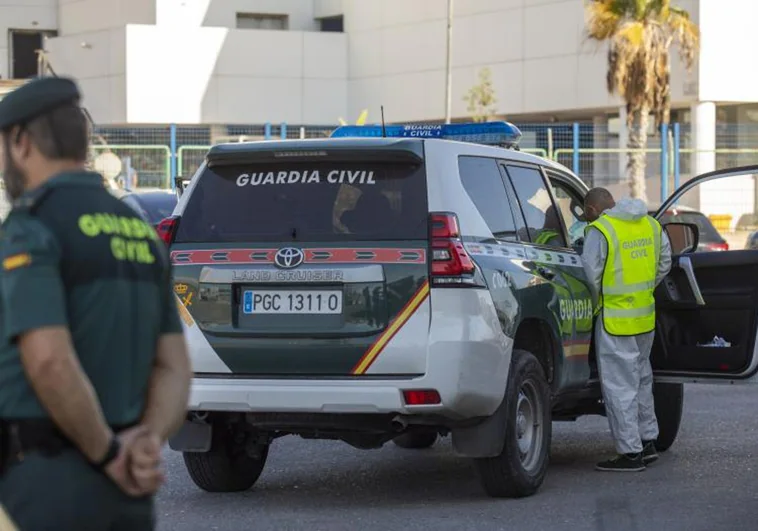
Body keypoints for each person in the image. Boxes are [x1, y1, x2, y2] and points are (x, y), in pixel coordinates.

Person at [0, 76, 191, 529]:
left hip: (44, 487)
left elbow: (50, 362)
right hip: (126, 494)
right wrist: (144, 445)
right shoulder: (140, 231)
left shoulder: (33, 227)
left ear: (22, 142)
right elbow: (175, 367)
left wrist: (106, 452)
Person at [581, 187, 672, 472]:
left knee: (620, 387)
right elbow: (664, 264)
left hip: (615, 320)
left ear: (594, 209)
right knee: (642, 380)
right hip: (644, 318)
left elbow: (590, 274)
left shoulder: (601, 230)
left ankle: (629, 454)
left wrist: (601, 304)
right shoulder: (651, 224)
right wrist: (643, 291)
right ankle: (647, 442)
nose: (585, 218)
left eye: (585, 213)